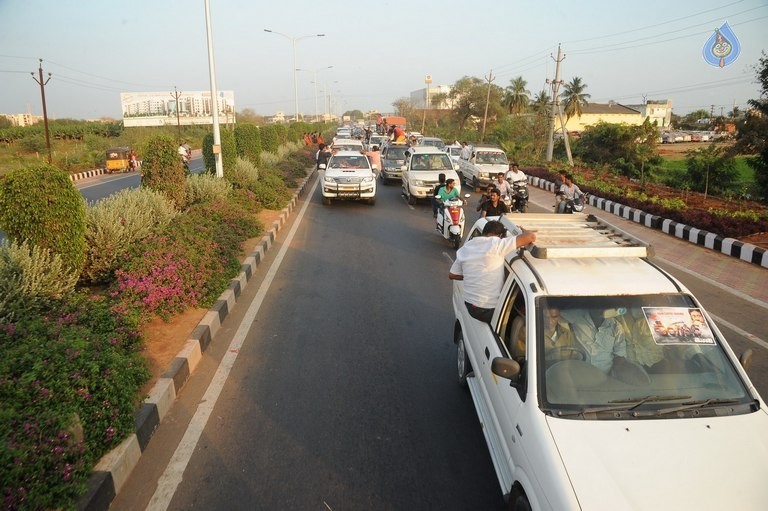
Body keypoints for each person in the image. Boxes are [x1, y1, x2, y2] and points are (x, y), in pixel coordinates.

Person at [449, 221, 536, 323]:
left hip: (470, 306)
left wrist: (472, 275)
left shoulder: (467, 247)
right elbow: (531, 237)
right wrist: (524, 231)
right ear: (500, 235)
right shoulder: (497, 245)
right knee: (522, 318)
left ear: (484, 232)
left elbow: (452, 275)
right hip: (489, 310)